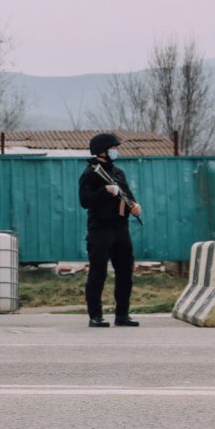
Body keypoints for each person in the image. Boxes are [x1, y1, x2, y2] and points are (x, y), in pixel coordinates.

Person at [79, 132, 143, 328]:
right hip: (100, 229)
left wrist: (135, 207)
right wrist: (104, 191)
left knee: (125, 272)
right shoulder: (91, 172)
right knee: (98, 273)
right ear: (102, 151)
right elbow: (84, 201)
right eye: (112, 148)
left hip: (121, 228)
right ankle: (95, 316)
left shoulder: (118, 173)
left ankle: (122, 314)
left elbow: (128, 197)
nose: (116, 151)